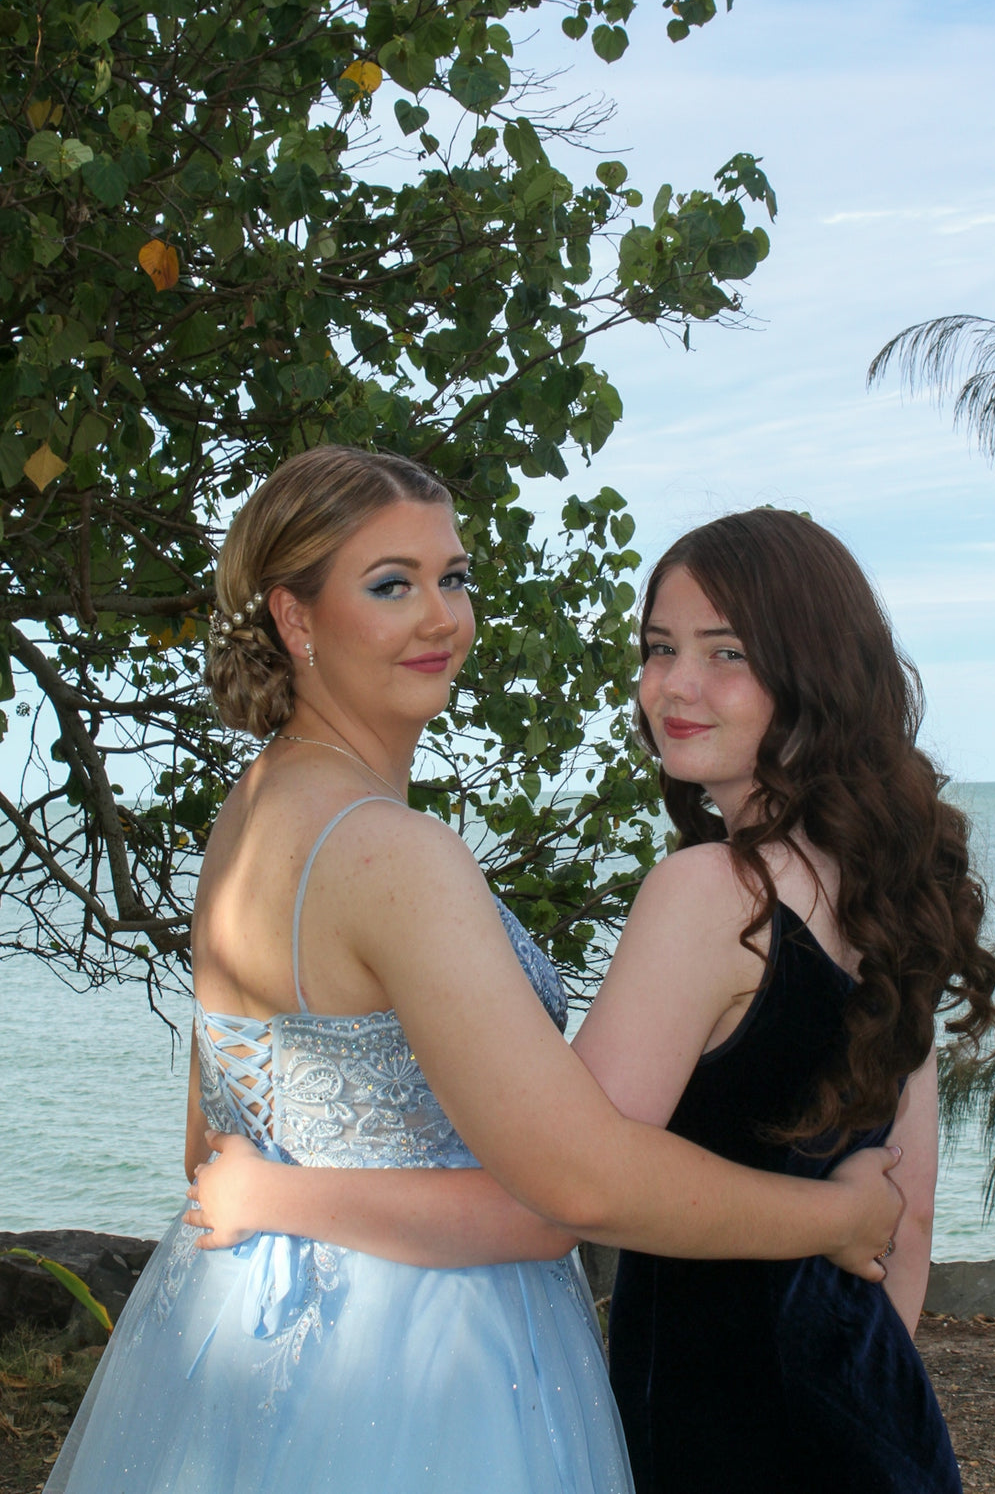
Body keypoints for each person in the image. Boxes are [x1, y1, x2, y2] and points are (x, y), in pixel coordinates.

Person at [45, 453, 902, 1494]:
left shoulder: (253, 812)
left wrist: (275, 1195)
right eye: (390, 584)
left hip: (239, 1327)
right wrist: (838, 1218)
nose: (440, 617)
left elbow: (206, 1136)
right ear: (292, 614)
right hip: (414, 1358)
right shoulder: (388, 851)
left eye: (452, 579)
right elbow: (565, 1192)